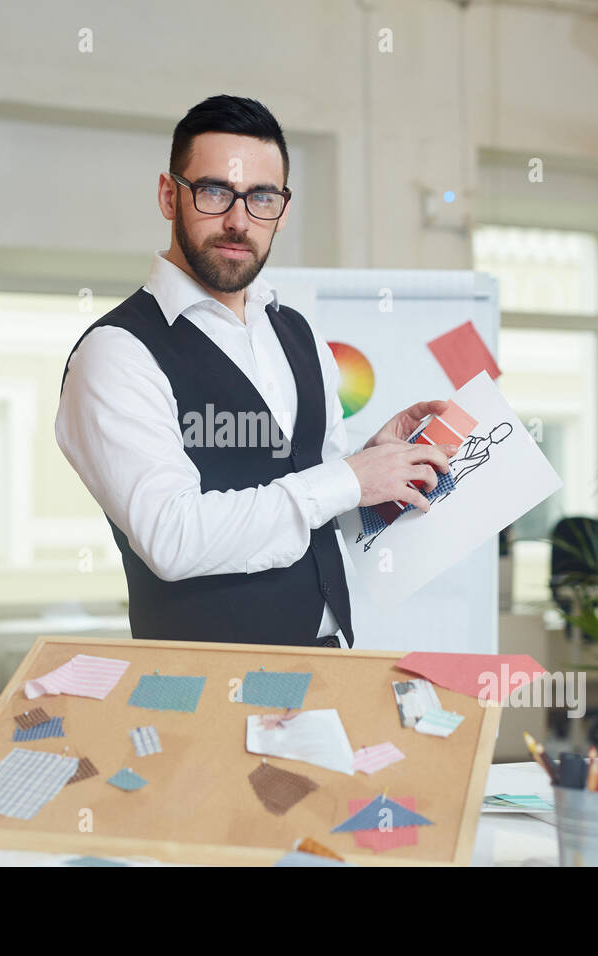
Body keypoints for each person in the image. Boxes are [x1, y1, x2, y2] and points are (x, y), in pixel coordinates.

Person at [55, 94, 456, 648]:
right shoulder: (116, 352)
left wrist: (371, 464)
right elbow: (170, 537)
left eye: (261, 197)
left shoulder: (297, 332)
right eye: (215, 191)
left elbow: (324, 494)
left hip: (329, 660)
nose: (238, 221)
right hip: (204, 681)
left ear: (282, 209)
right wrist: (349, 477)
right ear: (169, 195)